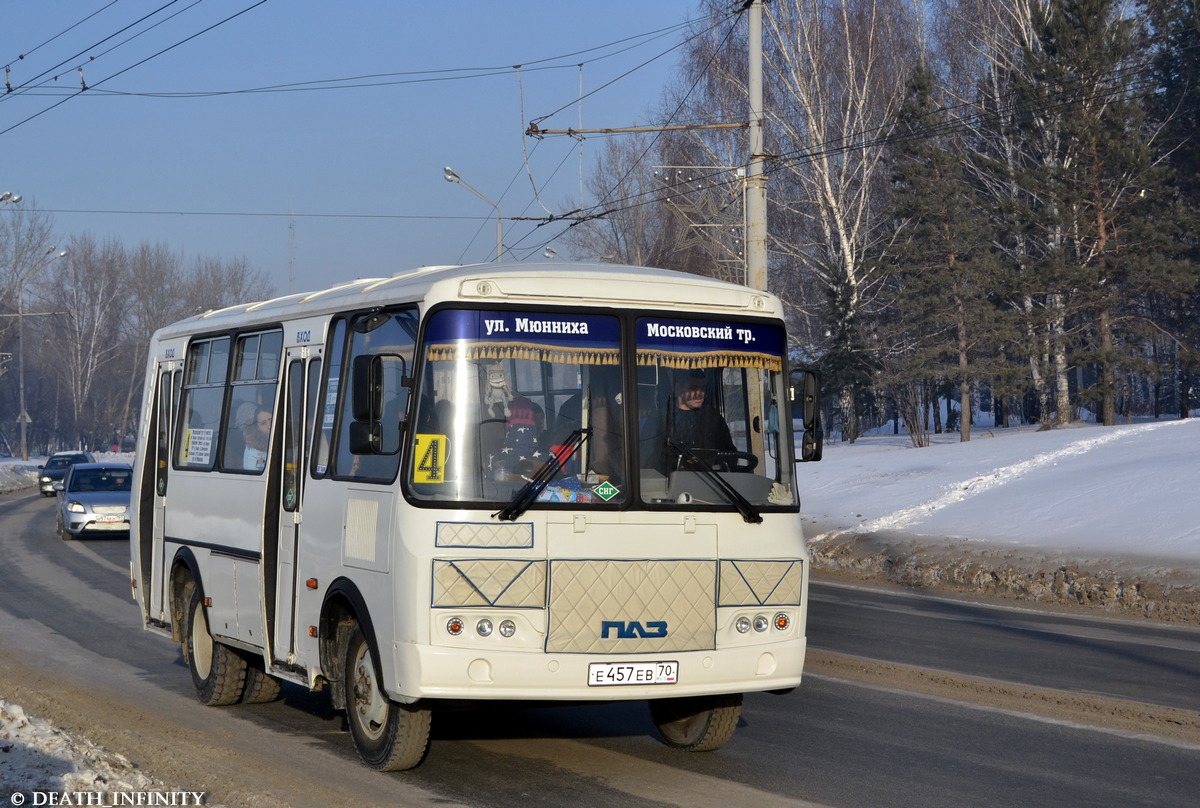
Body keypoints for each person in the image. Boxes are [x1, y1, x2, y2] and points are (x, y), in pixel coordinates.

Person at [665, 369, 735, 470]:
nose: (699, 393)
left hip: (711, 480)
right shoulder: (663, 419)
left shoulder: (713, 418)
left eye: (703, 388)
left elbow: (730, 455)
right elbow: (653, 461)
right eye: (693, 388)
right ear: (677, 388)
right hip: (672, 482)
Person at [242, 407, 271, 471]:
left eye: (271, 420)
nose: (269, 426)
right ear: (257, 428)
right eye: (263, 423)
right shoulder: (252, 451)